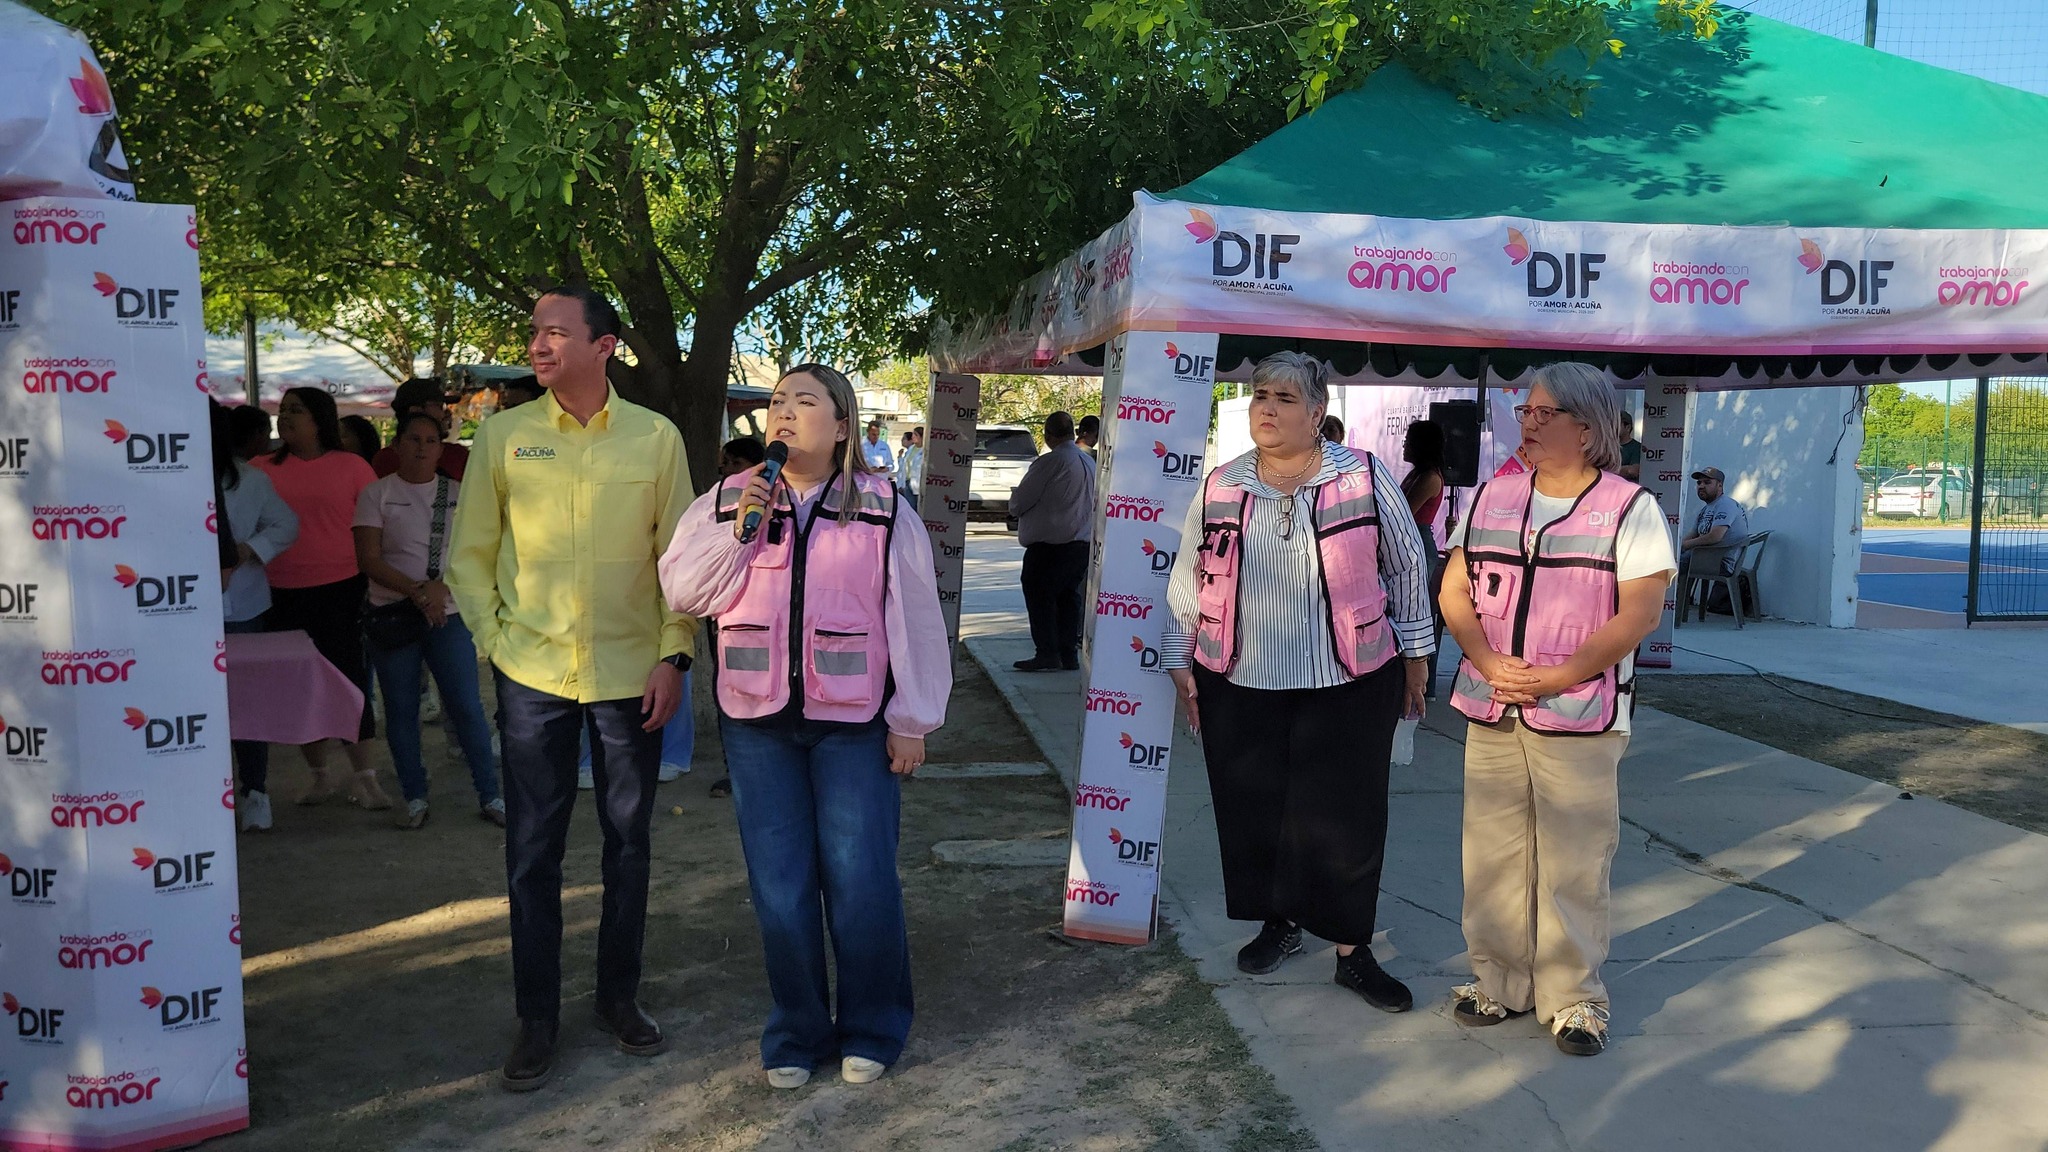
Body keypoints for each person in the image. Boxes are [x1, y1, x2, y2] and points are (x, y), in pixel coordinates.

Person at [659, 363, 949, 1090]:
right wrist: (740, 532)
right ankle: (796, 1029)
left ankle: (874, 1026)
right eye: (777, 402)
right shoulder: (729, 500)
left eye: (805, 402)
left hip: (853, 724)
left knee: (861, 882)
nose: (784, 414)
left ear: (843, 425)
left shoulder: (883, 509)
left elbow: (913, 621)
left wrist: (911, 718)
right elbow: (686, 591)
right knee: (780, 887)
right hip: (757, 725)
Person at [447, 285, 696, 1092]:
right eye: (534, 333)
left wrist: (675, 656)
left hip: (632, 679)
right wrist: (497, 646)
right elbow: (470, 557)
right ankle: (538, 1018)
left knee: (628, 845)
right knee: (531, 853)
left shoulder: (656, 441)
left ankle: (618, 999)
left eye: (556, 332)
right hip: (533, 677)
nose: (539, 345)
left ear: (606, 345)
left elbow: (680, 567)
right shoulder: (504, 437)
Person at [1161, 352, 1435, 1013]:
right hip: (1240, 679)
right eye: (1260, 395)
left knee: (1346, 816)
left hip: (1350, 676)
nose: (1267, 408)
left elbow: (1404, 571)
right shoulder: (1223, 485)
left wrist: (1418, 657)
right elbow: (1187, 580)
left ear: (1317, 414)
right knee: (1257, 809)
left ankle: (1350, 949)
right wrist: (1180, 662)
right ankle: (1279, 921)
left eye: (1284, 398)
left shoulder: (1365, 479)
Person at [1440, 361, 1675, 1057]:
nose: (1530, 424)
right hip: (1493, 705)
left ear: (1587, 425)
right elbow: (1455, 590)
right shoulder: (1492, 498)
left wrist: (1553, 678)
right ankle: (1499, 983)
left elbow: (1639, 613)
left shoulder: (1630, 509)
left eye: (1546, 415)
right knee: (1491, 855)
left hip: (1578, 713)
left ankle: (1573, 1000)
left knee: (1574, 861)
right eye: (1526, 413)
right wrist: (1486, 662)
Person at [354, 412, 506, 831]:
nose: (422, 447)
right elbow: (368, 558)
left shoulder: (460, 494)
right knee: (401, 710)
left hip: (449, 614)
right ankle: (415, 797)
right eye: (413, 439)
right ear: (398, 444)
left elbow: (478, 553)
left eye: (431, 440)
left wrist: (441, 589)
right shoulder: (376, 494)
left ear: (442, 447)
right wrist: (419, 592)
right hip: (394, 615)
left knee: (466, 707)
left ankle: (490, 793)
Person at [252, 387, 389, 810]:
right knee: (299, 685)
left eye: (297, 410)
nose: (286, 417)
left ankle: (366, 778)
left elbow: (375, 528)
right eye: (283, 410)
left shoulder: (352, 467)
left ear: (320, 419)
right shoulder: (259, 470)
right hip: (278, 593)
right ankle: (319, 776)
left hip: (342, 589)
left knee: (348, 680)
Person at [213, 400, 299, 833]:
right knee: (201, 707)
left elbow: (286, 525)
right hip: (179, 610)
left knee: (247, 702)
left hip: (243, 606)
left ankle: (256, 792)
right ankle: (212, 794)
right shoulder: (169, 477)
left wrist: (247, 549)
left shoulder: (250, 479)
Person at [705, 436, 768, 802]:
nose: (726, 470)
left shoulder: (781, 505)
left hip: (772, 633)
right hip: (731, 627)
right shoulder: (722, 504)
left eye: (734, 463)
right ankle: (736, 770)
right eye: (724, 463)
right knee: (731, 695)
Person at [1010, 410, 1096, 672]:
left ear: (1048, 435)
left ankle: (1047, 652)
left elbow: (1020, 502)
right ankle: (1067, 654)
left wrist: (1015, 504)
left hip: (1050, 546)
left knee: (1041, 598)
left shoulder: (1051, 462)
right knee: (1068, 599)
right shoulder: (1088, 462)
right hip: (1080, 544)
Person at [1401, 420, 1450, 700]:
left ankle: (1425, 685)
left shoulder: (1430, 477)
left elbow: (1405, 512)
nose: (1405, 444)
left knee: (1419, 614)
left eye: (1409, 439)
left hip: (1419, 544)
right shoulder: (1418, 474)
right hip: (1412, 541)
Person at [372, 376, 470, 480]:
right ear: (415, 411)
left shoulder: (457, 454)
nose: (445, 414)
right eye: (440, 406)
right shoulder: (387, 460)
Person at [1680, 467, 1749, 577]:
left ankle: (1673, 594)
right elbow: (1692, 534)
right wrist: (1677, 547)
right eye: (1699, 483)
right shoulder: (1705, 509)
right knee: (1670, 558)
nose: (1701, 486)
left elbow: (1715, 536)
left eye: (1707, 482)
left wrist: (1685, 546)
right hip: (1704, 557)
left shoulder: (1725, 504)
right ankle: (1680, 593)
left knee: (1670, 565)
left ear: (1720, 486)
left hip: (1721, 562)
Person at [893, 426, 924, 510]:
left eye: (915, 434)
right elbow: (904, 466)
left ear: (921, 437)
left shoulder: (924, 450)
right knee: (908, 508)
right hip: (907, 482)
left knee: (915, 508)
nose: (913, 436)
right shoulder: (911, 449)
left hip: (917, 483)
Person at [1617, 408, 1642, 482]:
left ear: (1627, 427)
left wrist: (1609, 471)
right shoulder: (1608, 447)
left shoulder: (1637, 447)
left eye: (1617, 424)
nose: (1613, 427)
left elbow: (1633, 471)